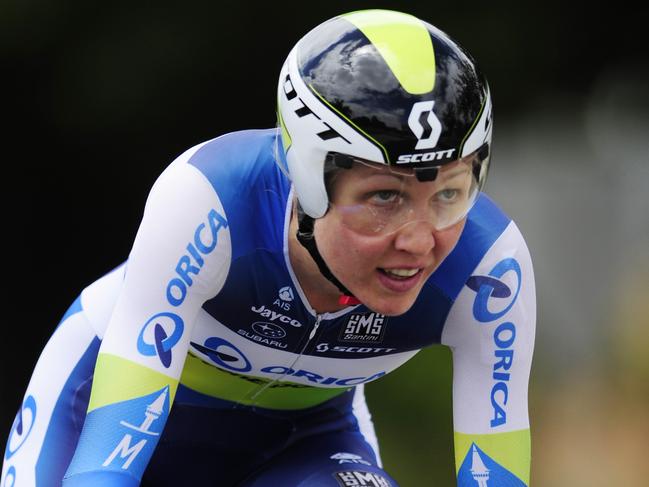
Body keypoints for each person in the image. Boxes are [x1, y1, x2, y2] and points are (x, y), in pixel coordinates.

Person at [2, 8, 535, 487]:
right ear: (308, 179)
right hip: (105, 406)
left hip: (304, 442)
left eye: (449, 193)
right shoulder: (208, 197)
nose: (420, 240)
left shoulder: (490, 269)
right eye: (384, 197)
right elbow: (104, 470)